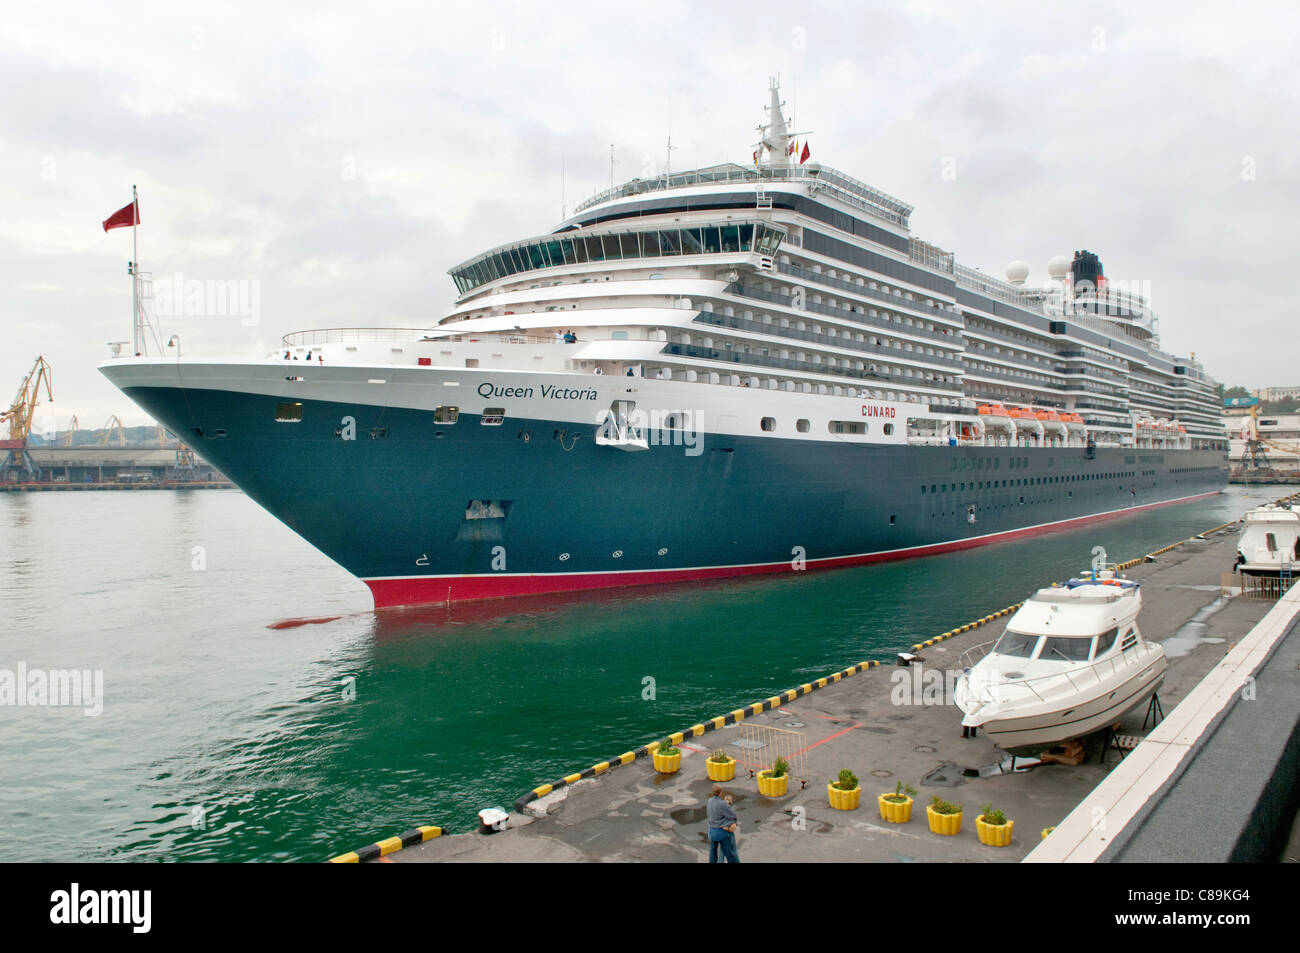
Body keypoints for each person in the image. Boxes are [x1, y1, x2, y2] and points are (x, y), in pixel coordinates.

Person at [706, 785, 740, 863]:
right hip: (722, 833)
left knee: (713, 853)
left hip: (712, 831)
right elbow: (733, 815)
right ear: (720, 793)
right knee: (729, 853)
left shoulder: (709, 801)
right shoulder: (722, 804)